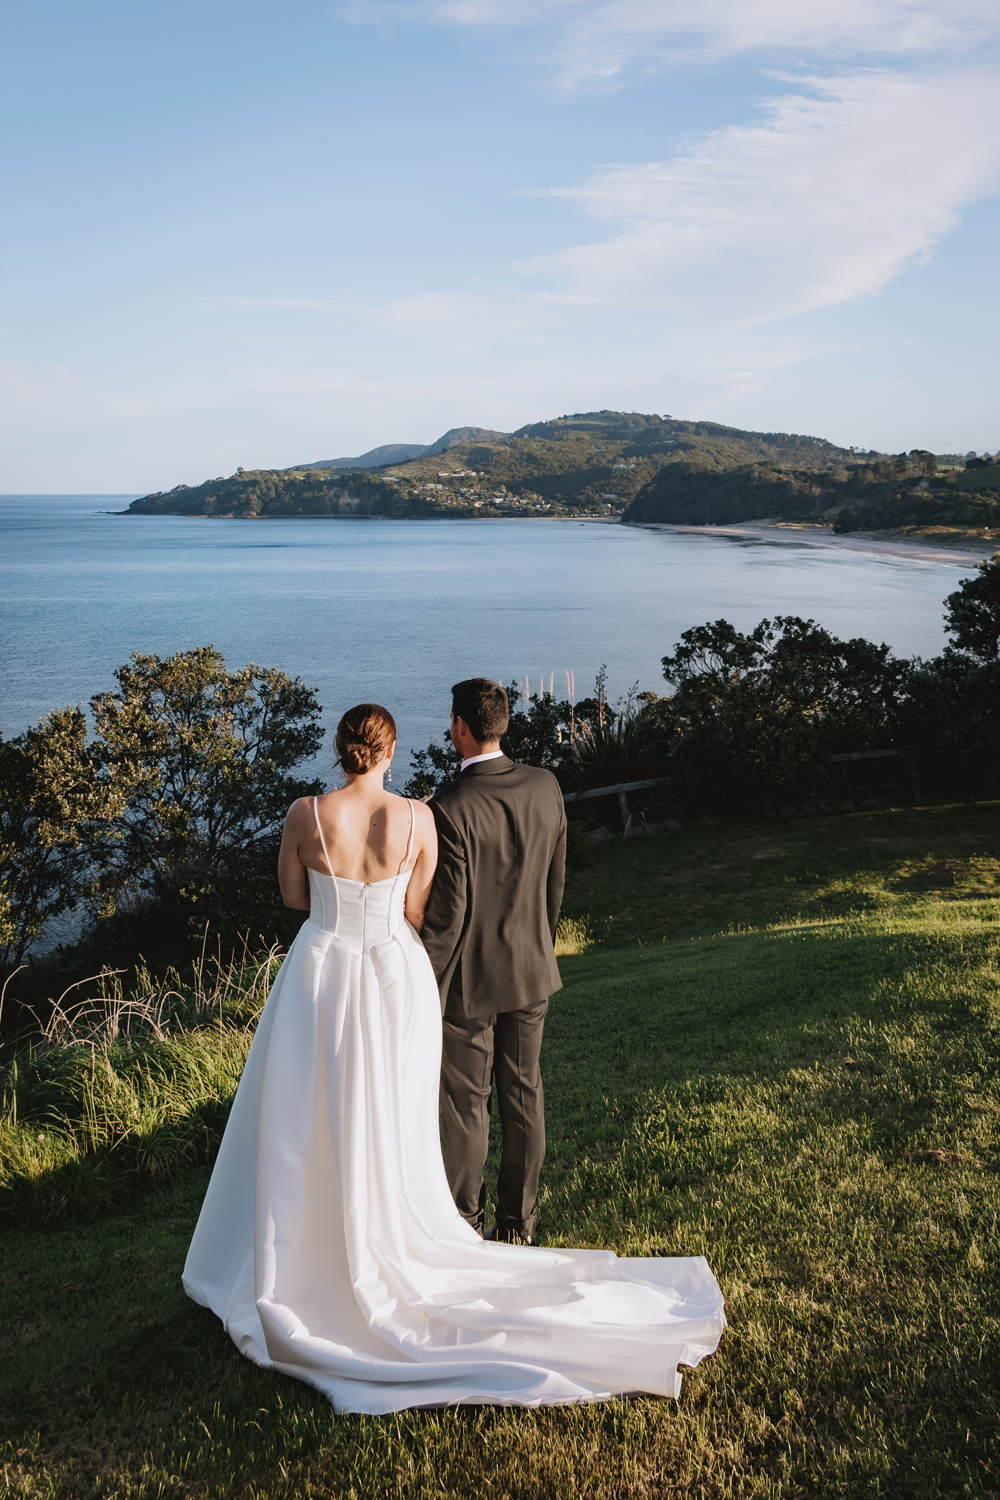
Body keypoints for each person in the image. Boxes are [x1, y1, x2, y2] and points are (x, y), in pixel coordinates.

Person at [183, 701, 725, 1414]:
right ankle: (404, 1227)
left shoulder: (304, 814)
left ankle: (311, 1243)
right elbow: (417, 908)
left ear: (341, 749)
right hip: (392, 973)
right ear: (390, 750)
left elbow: (291, 895)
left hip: (320, 971)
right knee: (394, 1112)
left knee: (306, 1109)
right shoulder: (418, 818)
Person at [420, 678, 565, 1245]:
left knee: (466, 1109)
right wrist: (539, 946)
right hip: (531, 969)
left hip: (469, 986)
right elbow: (555, 886)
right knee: (524, 1094)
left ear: (460, 726)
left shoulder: (447, 807)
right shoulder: (546, 786)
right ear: (502, 724)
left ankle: (464, 1229)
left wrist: (419, 982)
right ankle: (519, 1227)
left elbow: (448, 917)